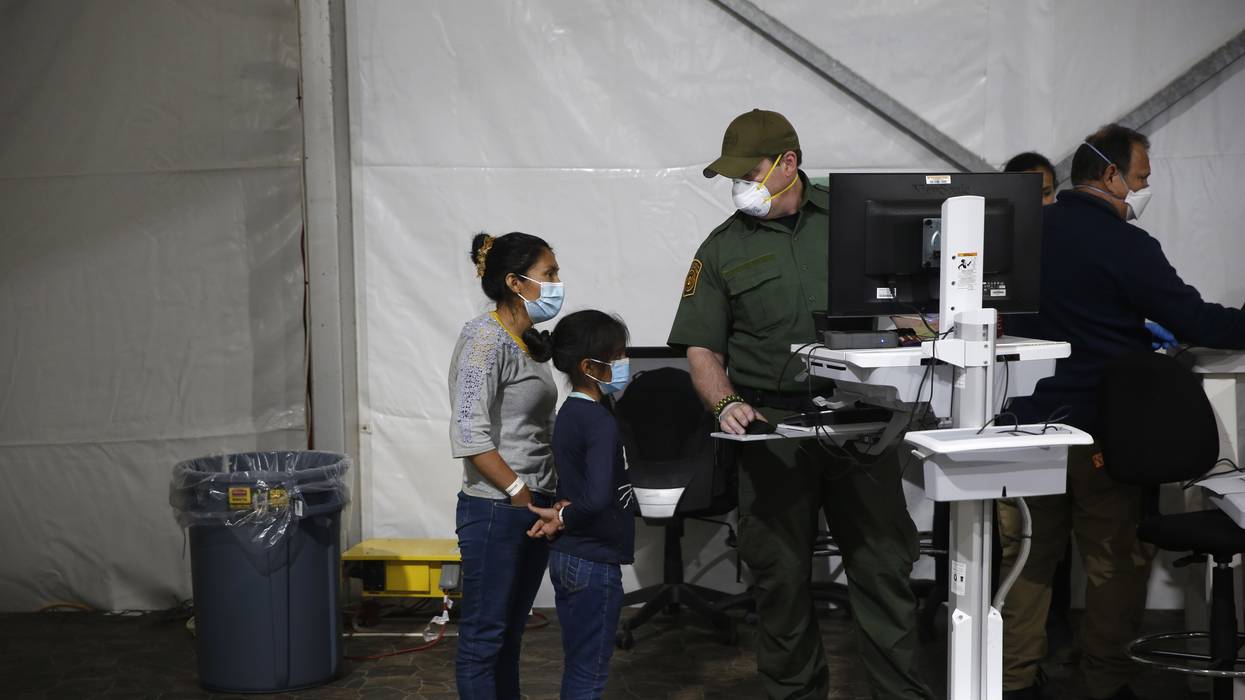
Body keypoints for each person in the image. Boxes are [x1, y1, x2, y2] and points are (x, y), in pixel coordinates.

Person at [667, 108, 933, 700]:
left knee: (882, 567)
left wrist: (923, 336)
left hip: (863, 420)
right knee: (779, 575)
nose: (741, 187)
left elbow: (918, 301)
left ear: (789, 164)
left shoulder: (862, 217)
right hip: (772, 426)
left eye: (751, 171)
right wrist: (725, 403)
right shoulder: (721, 249)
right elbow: (702, 348)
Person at [999, 124, 1245, 700]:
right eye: (1140, 178)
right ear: (1109, 175)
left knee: (1025, 561)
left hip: (1020, 425)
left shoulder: (1020, 234)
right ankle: (1105, 683)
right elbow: (1196, 322)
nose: (1142, 190)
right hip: (1096, 432)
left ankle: (1013, 680)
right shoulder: (1126, 245)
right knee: (1114, 563)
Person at [448, 231, 563, 699]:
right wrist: (519, 493)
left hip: (532, 504)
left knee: (509, 637)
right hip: (497, 508)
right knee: (484, 638)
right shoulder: (482, 339)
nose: (557, 282)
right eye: (549, 274)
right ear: (516, 282)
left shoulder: (527, 341)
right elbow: (469, 432)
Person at [527, 310, 637, 700]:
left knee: (579, 663)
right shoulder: (599, 422)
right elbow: (597, 498)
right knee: (590, 674)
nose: (626, 364)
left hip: (571, 558)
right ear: (590, 365)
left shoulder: (571, 412)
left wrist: (561, 516)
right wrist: (563, 516)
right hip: (593, 561)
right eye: (620, 355)